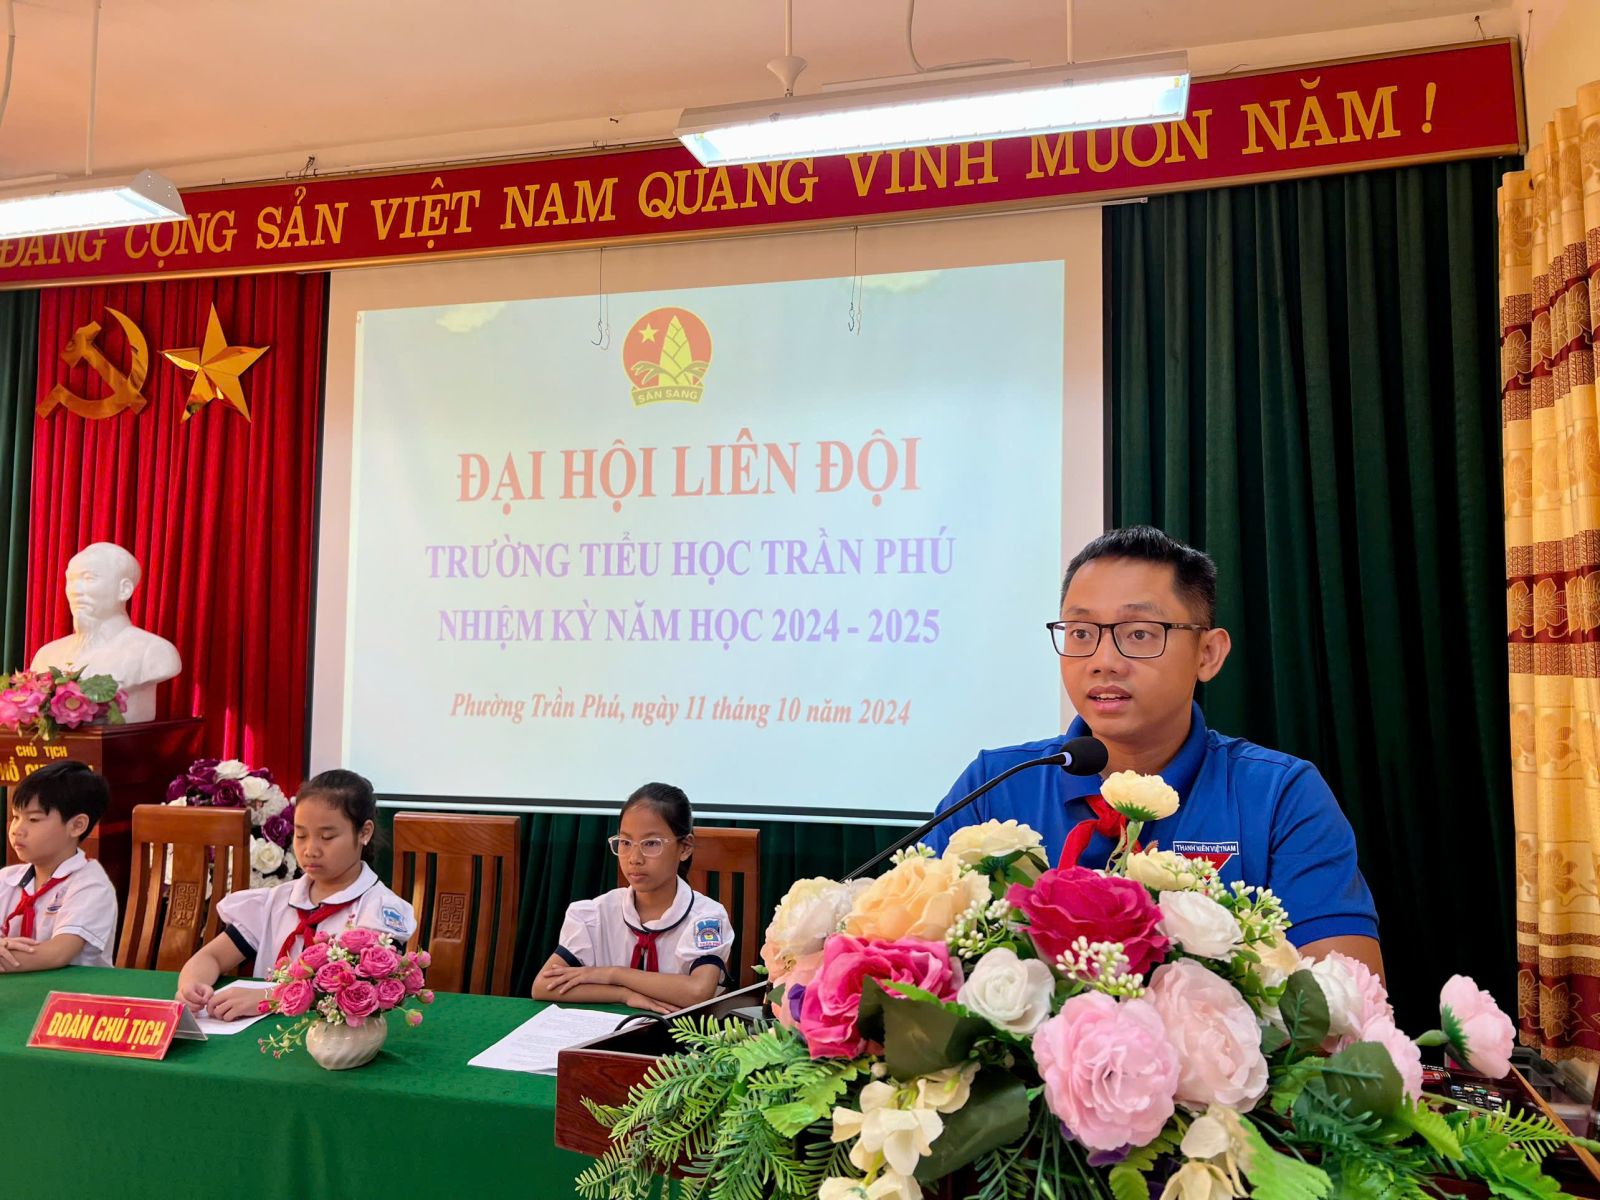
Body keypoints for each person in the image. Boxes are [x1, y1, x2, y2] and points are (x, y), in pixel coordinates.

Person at [923, 526, 1384, 977]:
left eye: (1139, 634)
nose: (1103, 661)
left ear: (1208, 653)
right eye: (1081, 633)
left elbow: (1345, 1002)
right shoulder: (997, 785)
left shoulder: (1279, 795)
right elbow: (912, 961)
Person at [176, 769, 416, 1020]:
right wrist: (193, 985)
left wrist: (271, 997)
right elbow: (212, 956)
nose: (310, 850)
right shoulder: (275, 901)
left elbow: (365, 986)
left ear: (364, 832)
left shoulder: (379, 908)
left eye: (327, 837)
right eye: (301, 835)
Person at [532, 782, 733, 1013]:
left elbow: (698, 991)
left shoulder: (706, 918)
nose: (634, 858)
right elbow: (543, 986)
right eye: (625, 843)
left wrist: (613, 974)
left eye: (651, 843)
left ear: (685, 847)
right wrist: (623, 994)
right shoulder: (594, 914)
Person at [30, 542, 182, 723]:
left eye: (89, 578)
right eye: (71, 580)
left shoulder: (153, 651)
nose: (75, 591)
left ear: (124, 589)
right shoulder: (47, 655)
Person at [0, 761, 116, 972]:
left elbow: (57, 953)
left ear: (77, 825)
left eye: (33, 819)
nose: (17, 829)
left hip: (73, 991)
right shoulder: (6, 879)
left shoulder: (90, 885)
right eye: (15, 817)